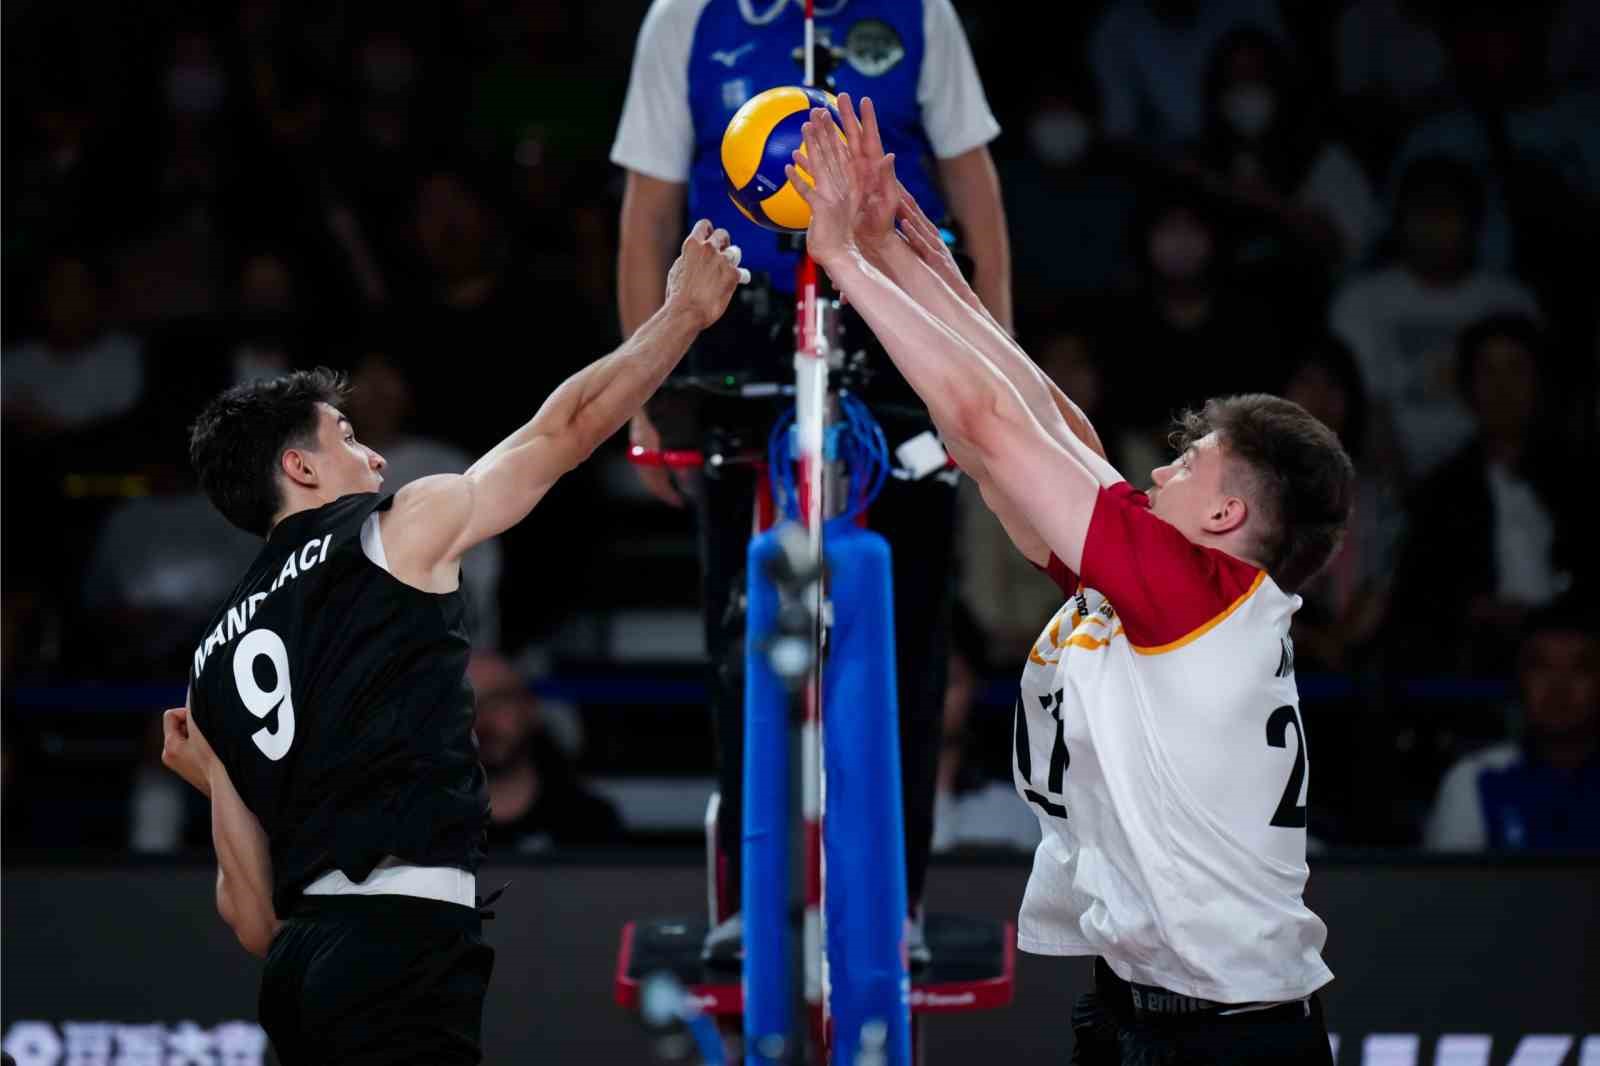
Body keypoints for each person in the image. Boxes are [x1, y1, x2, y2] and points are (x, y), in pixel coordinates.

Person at [792, 94, 1350, 1061]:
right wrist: (913, 259)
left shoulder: (1197, 595)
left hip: (1227, 1037)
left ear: (1225, 518)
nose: (1158, 471)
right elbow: (1055, 434)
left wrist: (844, 259)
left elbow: (994, 431)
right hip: (1143, 1012)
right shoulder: (1176, 594)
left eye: (1188, 465)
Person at [156, 220, 742, 1065]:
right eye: (349, 440)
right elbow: (563, 431)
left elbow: (253, 922)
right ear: (301, 469)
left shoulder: (210, 663)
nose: (378, 462)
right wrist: (680, 316)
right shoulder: (387, 531)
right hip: (399, 942)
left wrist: (215, 774)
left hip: (300, 971)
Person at [610, 0, 1011, 963]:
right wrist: (641, 387)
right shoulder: (683, 19)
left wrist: (994, 361)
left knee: (909, 623)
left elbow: (976, 189)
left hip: (902, 321)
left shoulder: (923, 15)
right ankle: (751, 899)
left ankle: (896, 907)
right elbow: (647, 212)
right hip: (737, 336)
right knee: (737, 620)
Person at [1424, 595, 1600, 851]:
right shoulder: (1475, 781)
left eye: (1579, 668)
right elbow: (1448, 890)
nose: (1558, 688)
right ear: (1519, 679)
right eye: (1541, 667)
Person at [467, 650, 624, 852]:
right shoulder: (428, 827)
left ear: (530, 708)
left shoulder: (591, 822)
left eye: (497, 701)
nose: (483, 720)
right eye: (465, 705)